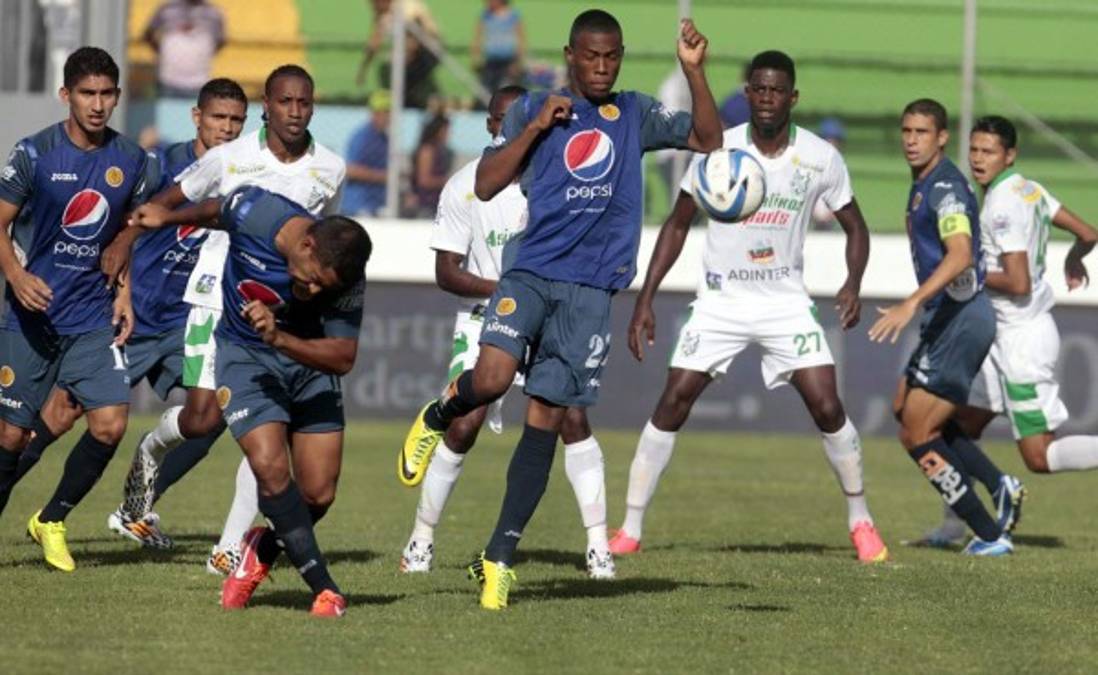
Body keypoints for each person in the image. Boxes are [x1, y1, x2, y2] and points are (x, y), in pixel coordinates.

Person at [400, 10, 722, 609]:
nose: (602, 68)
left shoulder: (634, 114)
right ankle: (444, 407)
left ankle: (498, 558)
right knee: (492, 377)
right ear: (569, 54)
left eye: (612, 57)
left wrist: (694, 72)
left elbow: (708, 139)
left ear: (620, 56)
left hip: (592, 291)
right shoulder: (535, 110)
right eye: (591, 56)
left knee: (545, 421)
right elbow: (487, 185)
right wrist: (532, 131)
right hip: (529, 273)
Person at [606, 50, 888, 564]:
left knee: (827, 405)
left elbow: (856, 226)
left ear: (792, 97)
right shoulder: (720, 150)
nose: (765, 99)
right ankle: (629, 527)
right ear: (748, 92)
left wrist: (853, 282)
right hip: (722, 300)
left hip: (784, 301)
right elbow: (676, 223)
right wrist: (645, 298)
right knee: (673, 402)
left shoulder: (820, 157)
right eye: (758, 89)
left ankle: (861, 520)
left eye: (776, 90)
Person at [103, 64, 346, 574]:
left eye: (304, 103)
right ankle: (152, 450)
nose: (295, 112)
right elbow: (169, 202)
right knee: (202, 419)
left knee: (267, 426)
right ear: (268, 106)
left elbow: (324, 240)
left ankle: (229, 547)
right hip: (216, 298)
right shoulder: (229, 158)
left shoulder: (331, 167)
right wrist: (127, 238)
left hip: (278, 312)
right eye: (285, 102)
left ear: (314, 107)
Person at [0, 78, 248, 541]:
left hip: (182, 321)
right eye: (218, 118)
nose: (227, 130)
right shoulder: (160, 167)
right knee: (55, 417)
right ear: (197, 118)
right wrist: (118, 273)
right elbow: (117, 218)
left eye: (236, 121)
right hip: (128, 319)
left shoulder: (246, 174)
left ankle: (137, 505)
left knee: (213, 414)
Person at [399, 85, 615, 580]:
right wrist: (513, 289)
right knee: (463, 425)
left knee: (573, 420)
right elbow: (446, 272)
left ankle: (599, 548)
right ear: (492, 125)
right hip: (484, 317)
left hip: (554, 317)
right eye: (503, 119)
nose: (510, 126)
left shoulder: (565, 181)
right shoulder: (464, 186)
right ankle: (421, 539)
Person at [130, 184, 370, 617]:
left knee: (317, 495)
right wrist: (167, 217)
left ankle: (259, 547)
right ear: (306, 243)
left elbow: (343, 357)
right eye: (312, 277)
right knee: (270, 470)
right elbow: (218, 210)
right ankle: (325, 588)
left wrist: (280, 336)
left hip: (308, 363)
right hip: (244, 359)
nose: (313, 290)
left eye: (323, 287)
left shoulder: (347, 275)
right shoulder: (256, 211)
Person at [0, 47, 156, 572]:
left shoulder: (132, 160)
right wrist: (17, 276)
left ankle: (53, 518)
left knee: (110, 424)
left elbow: (127, 228)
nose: (97, 104)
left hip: (93, 317)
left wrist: (127, 289)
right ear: (66, 95)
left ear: (117, 96)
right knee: (10, 437)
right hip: (31, 314)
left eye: (107, 94)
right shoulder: (35, 153)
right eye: (87, 94)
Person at [915, 115, 1098, 545]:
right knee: (949, 428)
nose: (978, 159)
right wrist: (1075, 257)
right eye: (974, 150)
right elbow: (1089, 233)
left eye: (989, 152)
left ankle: (975, 515)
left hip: (1021, 342)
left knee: (1039, 456)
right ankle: (954, 525)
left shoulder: (1001, 205)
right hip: (996, 339)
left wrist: (964, 268)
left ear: (1009, 155)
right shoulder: (1028, 188)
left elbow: (1018, 282)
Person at [868, 99, 1019, 557]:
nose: (911, 140)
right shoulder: (925, 184)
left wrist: (910, 303)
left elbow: (960, 254)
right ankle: (998, 484)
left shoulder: (947, 188)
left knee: (917, 431)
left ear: (941, 137)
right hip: (946, 318)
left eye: (921, 132)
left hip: (962, 319)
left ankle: (990, 534)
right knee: (904, 409)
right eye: (906, 131)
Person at [355, 0, 440, 109]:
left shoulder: (407, 8)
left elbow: (416, 35)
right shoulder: (382, 17)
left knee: (392, 70)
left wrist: (404, 57)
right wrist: (362, 71)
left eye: (374, 4)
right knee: (389, 69)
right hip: (409, 50)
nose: (373, 8)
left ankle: (416, 99)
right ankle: (408, 100)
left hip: (429, 49)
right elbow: (373, 45)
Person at [144, 0, 226, 98]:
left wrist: (201, 54)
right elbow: (148, 35)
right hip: (168, 80)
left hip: (199, 81)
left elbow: (221, 41)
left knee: (196, 112)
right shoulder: (166, 9)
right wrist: (162, 52)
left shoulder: (213, 14)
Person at [343, 89, 390, 217]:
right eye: (385, 112)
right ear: (375, 113)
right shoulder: (363, 137)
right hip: (358, 205)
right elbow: (350, 170)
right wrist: (383, 177)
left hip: (376, 204)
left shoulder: (385, 138)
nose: (388, 117)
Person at [472, 0, 526, 96]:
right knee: (487, 90)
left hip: (508, 60)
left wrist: (517, 62)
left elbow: (520, 39)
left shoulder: (513, 15)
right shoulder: (485, 15)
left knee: (507, 90)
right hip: (491, 61)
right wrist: (475, 57)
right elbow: (478, 36)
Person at [409, 113, 453, 217]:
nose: (448, 134)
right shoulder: (427, 150)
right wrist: (446, 181)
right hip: (426, 204)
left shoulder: (442, 151)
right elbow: (424, 180)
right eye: (446, 130)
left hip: (437, 203)